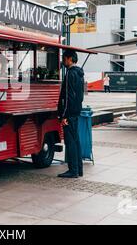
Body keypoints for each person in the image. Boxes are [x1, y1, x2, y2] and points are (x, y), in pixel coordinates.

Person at [58, 50, 85, 179]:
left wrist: (64, 115)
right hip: (76, 112)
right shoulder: (79, 74)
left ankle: (73, 170)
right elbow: (79, 97)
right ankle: (79, 169)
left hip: (69, 114)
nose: (63, 61)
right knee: (76, 141)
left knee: (70, 142)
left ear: (69, 59)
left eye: (64, 58)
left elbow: (68, 97)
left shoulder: (70, 74)